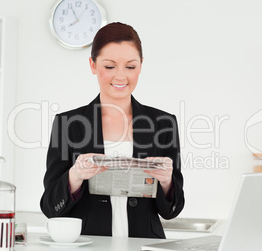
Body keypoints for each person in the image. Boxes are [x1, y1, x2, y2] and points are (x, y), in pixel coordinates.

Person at [40, 22, 184, 239]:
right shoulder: (68, 124)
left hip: (143, 248)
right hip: (88, 249)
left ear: (141, 65)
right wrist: (75, 176)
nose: (120, 77)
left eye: (130, 66)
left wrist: (166, 181)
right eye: (109, 66)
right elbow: (50, 207)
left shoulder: (164, 123)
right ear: (92, 65)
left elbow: (172, 210)